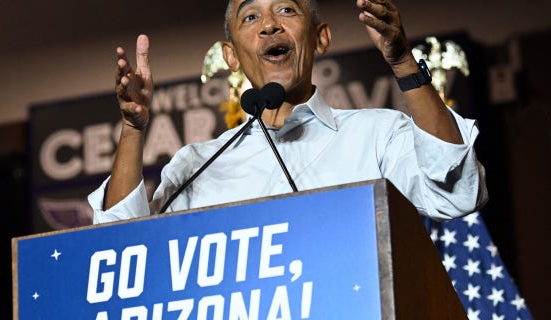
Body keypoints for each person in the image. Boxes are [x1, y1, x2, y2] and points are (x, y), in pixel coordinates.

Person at [89, 0, 488, 223]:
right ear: (230, 55)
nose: (268, 26)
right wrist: (132, 128)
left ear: (321, 38)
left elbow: (456, 195)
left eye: (285, 11)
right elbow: (119, 245)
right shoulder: (195, 165)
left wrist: (403, 63)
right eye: (250, 17)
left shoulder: (378, 134)